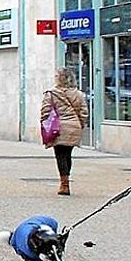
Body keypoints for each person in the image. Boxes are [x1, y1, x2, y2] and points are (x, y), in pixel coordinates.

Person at [41, 67, 88, 196]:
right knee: (67, 154)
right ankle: (65, 181)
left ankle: (64, 184)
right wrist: (80, 125)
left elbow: (45, 111)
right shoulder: (78, 94)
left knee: (60, 155)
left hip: (58, 127)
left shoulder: (51, 93)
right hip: (74, 127)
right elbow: (84, 112)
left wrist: (44, 124)